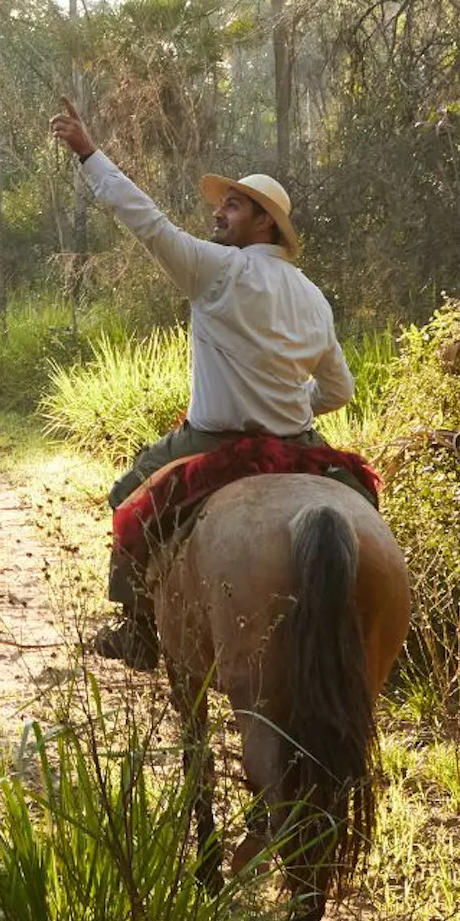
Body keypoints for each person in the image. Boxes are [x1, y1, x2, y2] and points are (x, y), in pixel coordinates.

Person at [47, 97, 351, 667]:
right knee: (361, 506)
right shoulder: (313, 297)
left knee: (127, 495)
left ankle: (137, 631)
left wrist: (89, 153)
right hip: (299, 444)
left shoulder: (217, 270)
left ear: (266, 222)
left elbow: (146, 222)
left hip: (214, 442)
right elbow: (339, 391)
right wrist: (292, 404)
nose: (219, 213)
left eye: (233, 206)